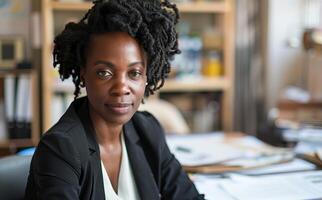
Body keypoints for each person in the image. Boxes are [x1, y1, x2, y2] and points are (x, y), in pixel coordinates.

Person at [25, 0, 204, 199]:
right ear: (84, 74)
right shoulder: (61, 149)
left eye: (134, 73)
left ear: (147, 76)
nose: (121, 88)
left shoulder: (147, 131)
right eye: (104, 73)